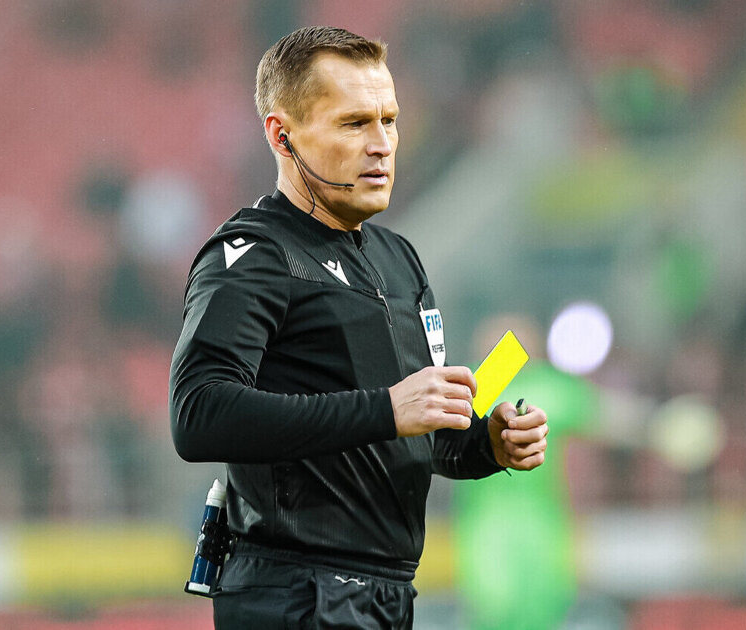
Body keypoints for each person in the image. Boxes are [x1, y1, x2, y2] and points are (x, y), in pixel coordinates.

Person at [169, 26, 549, 629]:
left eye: (389, 121)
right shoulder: (254, 255)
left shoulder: (400, 259)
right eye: (353, 124)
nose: (381, 145)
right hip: (295, 592)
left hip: (386, 595)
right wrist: (386, 409)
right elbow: (198, 415)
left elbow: (414, 435)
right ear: (282, 136)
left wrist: (485, 446)